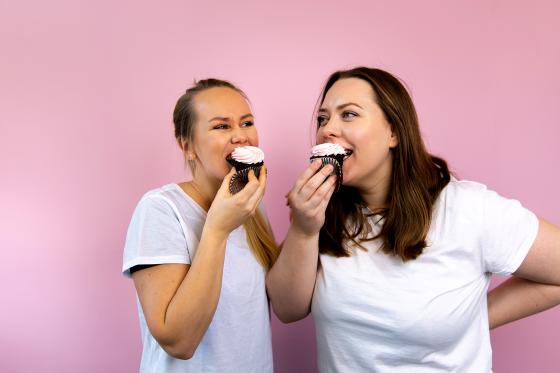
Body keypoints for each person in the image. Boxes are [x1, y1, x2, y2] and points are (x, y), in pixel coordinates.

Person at [266, 67, 560, 372]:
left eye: (349, 114)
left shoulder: (467, 209)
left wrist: (474, 318)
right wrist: (303, 229)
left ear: (393, 131)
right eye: (322, 119)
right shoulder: (324, 214)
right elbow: (288, 310)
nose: (327, 130)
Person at [122, 79, 278, 372]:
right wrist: (217, 230)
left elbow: (283, 305)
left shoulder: (252, 208)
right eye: (222, 126)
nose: (240, 136)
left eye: (246, 123)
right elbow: (180, 342)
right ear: (188, 146)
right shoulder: (160, 209)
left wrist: (306, 223)